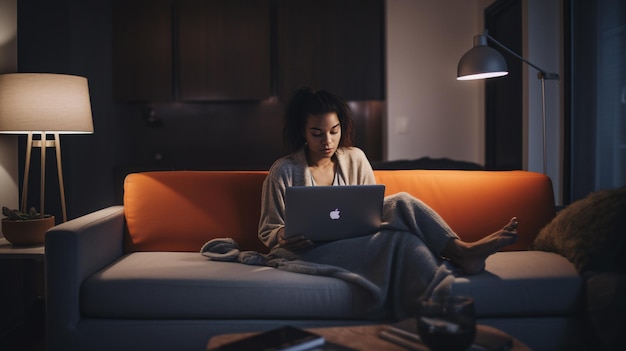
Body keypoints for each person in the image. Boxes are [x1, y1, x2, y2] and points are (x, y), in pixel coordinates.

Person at [258, 87, 518, 317]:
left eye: (334, 131)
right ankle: (462, 255)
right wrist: (282, 235)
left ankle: (456, 259)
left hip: (354, 244)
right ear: (303, 132)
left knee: (403, 225)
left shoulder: (355, 158)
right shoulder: (283, 170)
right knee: (400, 233)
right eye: (317, 133)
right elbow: (269, 229)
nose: (328, 141)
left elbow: (371, 211)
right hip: (306, 251)